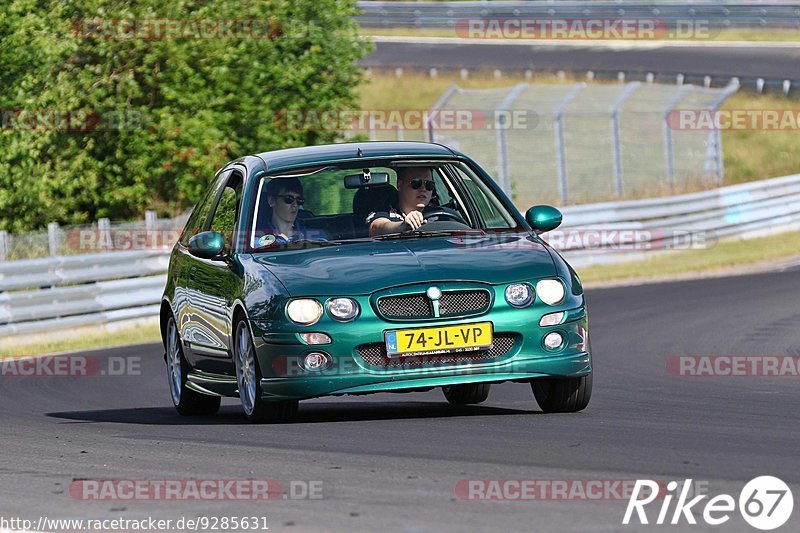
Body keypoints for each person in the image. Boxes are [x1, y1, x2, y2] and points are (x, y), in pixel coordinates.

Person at [255, 177, 326, 247]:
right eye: (289, 199)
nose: (295, 205)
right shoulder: (257, 240)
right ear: (272, 201)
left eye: (299, 200)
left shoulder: (317, 237)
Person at [367, 167, 436, 237]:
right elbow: (378, 228)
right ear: (399, 185)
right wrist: (403, 226)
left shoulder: (441, 213)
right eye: (416, 183)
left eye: (429, 184)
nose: (423, 189)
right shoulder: (385, 211)